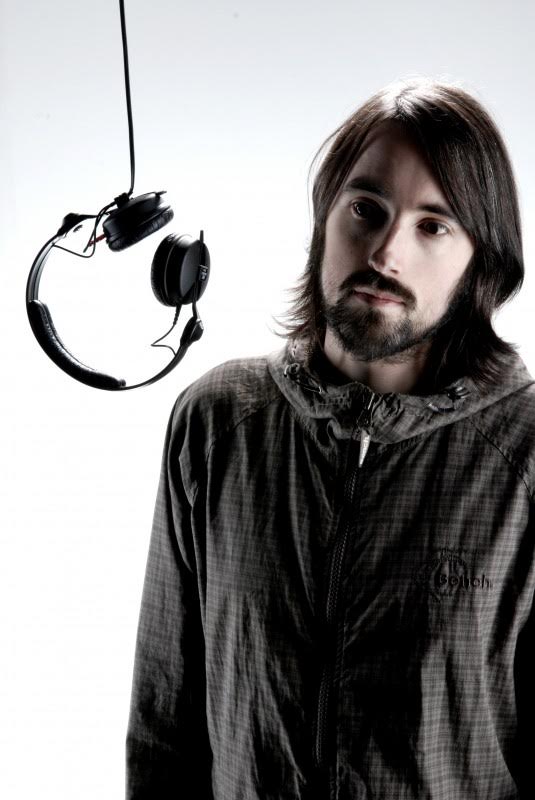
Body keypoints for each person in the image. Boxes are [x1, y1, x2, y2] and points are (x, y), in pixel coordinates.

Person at [126, 77, 535, 799]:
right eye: (365, 209)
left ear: (481, 260)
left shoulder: (525, 454)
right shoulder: (216, 420)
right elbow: (165, 725)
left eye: (433, 226)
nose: (386, 252)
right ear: (325, 218)